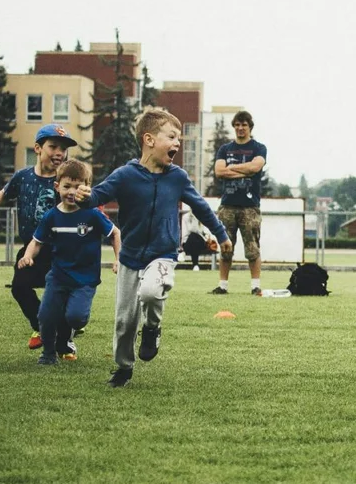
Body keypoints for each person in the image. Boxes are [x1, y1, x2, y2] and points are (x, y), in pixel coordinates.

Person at [76, 107, 231, 388]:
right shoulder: (125, 175)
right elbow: (98, 195)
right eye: (171, 137)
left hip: (163, 254)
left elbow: (200, 207)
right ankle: (123, 368)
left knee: (150, 292)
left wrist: (221, 235)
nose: (177, 143)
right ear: (149, 139)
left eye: (179, 138)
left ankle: (152, 328)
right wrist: (85, 196)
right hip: (130, 257)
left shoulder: (177, 177)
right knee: (124, 322)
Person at [0, 124, 78, 350]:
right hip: (31, 247)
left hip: (59, 249)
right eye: (53, 147)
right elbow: (4, 192)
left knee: (60, 295)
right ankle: (41, 326)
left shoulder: (64, 180)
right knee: (19, 287)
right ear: (38, 148)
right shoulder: (23, 176)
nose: (59, 153)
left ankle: (65, 342)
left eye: (63, 149)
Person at [18, 160, 121, 366]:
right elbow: (37, 241)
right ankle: (48, 354)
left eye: (78, 187)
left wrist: (119, 259)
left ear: (87, 188)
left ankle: (68, 337)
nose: (72, 192)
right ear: (57, 187)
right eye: (67, 186)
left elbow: (115, 233)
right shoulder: (51, 216)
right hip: (58, 277)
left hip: (85, 279)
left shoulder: (92, 214)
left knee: (76, 317)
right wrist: (28, 256)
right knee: (46, 316)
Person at [210, 111, 268, 295]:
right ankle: (223, 286)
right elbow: (219, 172)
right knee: (226, 246)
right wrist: (246, 170)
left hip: (250, 206)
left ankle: (255, 286)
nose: (240, 128)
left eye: (244, 125)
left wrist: (232, 168)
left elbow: (255, 167)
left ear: (250, 127)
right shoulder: (225, 149)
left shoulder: (259, 148)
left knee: (252, 248)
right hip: (227, 205)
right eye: (237, 125)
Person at [180, 205, 216, 269]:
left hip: (201, 241)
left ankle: (184, 252)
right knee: (192, 238)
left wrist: (195, 218)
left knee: (194, 236)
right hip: (188, 241)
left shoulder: (202, 216)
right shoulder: (186, 217)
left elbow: (197, 230)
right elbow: (185, 232)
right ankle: (195, 265)